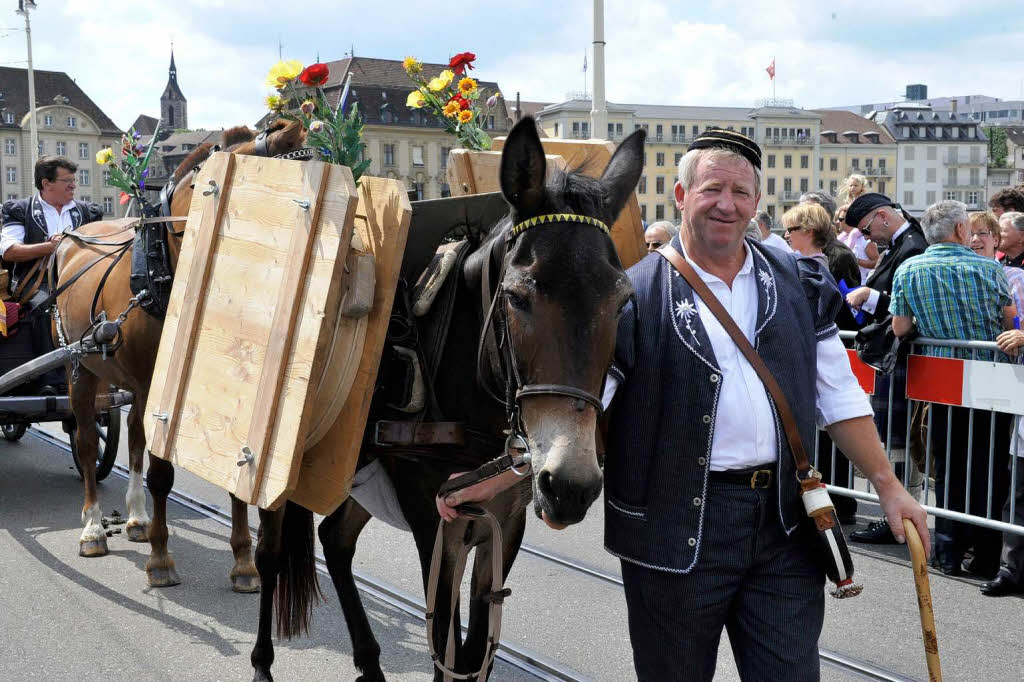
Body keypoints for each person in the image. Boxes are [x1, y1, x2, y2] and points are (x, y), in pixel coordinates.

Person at [891, 200, 1015, 577]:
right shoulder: (989, 268)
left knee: (947, 465)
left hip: (940, 378)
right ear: (961, 230)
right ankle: (986, 554)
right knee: (989, 467)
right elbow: (1009, 322)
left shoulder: (910, 268)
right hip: (991, 379)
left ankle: (947, 550)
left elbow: (899, 328)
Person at [843, 193, 929, 544]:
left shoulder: (912, 245)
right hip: (892, 356)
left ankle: (903, 517)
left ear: (882, 216)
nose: (866, 239)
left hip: (901, 355)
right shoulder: (901, 244)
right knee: (893, 441)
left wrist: (869, 296)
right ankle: (898, 517)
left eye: (866, 230)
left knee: (899, 441)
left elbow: (906, 305)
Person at [781, 201, 863, 521]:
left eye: (791, 229)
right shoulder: (804, 264)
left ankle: (833, 503)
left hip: (819, 358)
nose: (786, 235)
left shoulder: (815, 268)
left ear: (809, 231)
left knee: (826, 436)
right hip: (816, 357)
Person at [0, 156, 103, 389]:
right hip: (35, 284)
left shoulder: (88, 211)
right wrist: (50, 247)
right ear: (47, 184)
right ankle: (53, 379)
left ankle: (103, 373)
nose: (73, 185)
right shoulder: (20, 210)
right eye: (67, 180)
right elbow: (9, 251)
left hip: (83, 281)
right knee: (46, 304)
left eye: (73, 180)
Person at [971, 211, 1024, 314]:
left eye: (982, 233)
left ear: (995, 240)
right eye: (969, 234)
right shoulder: (955, 276)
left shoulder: (1015, 277)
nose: (974, 239)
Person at [835, 203, 879, 283]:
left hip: (861, 285)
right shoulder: (841, 239)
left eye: (841, 219)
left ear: (849, 221)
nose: (837, 222)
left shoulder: (865, 240)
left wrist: (856, 260)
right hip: (843, 285)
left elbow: (877, 262)